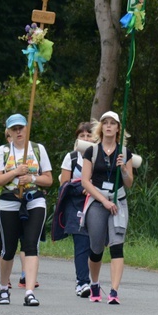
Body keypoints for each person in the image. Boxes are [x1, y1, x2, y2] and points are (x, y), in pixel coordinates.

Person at [0, 113, 53, 306]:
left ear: (27, 128)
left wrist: (32, 178)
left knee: (31, 245)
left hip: (34, 200)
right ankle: (3, 288)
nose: (18, 132)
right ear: (8, 132)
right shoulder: (2, 151)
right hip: (9, 202)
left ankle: (29, 291)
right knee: (8, 248)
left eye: (21, 128)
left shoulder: (38, 149)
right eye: (14, 129)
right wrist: (15, 173)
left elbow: (49, 180)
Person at [81, 111, 135, 304]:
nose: (109, 126)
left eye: (113, 123)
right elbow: (85, 182)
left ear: (118, 128)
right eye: (106, 123)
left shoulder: (125, 153)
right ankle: (94, 283)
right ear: (101, 127)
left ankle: (114, 291)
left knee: (117, 245)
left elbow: (129, 183)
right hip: (98, 201)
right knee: (96, 248)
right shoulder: (92, 151)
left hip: (118, 202)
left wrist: (123, 170)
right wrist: (103, 201)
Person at [57, 122, 95, 297]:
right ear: (77, 138)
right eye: (82, 136)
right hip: (76, 205)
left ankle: (92, 280)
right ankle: (82, 282)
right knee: (81, 243)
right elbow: (64, 184)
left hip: (96, 203)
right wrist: (82, 188)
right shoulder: (71, 158)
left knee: (94, 245)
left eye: (89, 136)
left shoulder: (99, 156)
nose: (86, 139)